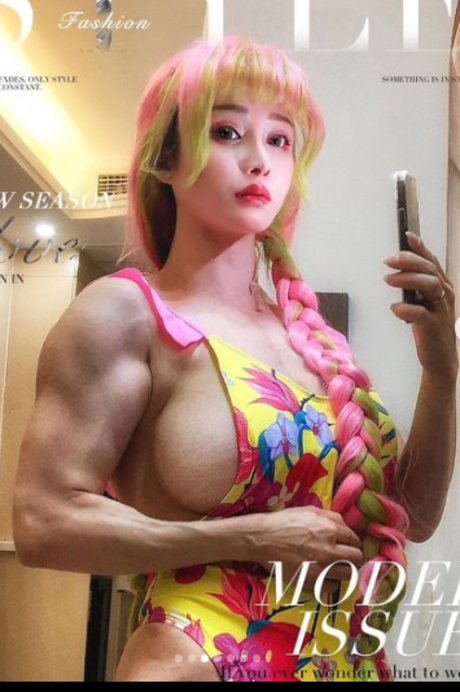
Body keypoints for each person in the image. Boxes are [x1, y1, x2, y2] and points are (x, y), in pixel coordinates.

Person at [14, 34, 449, 683]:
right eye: (226, 132)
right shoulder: (127, 313)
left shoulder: (313, 340)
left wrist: (443, 371)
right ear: (165, 160)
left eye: (279, 139)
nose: (258, 161)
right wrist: (245, 538)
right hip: (200, 659)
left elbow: (414, 515)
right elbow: (43, 523)